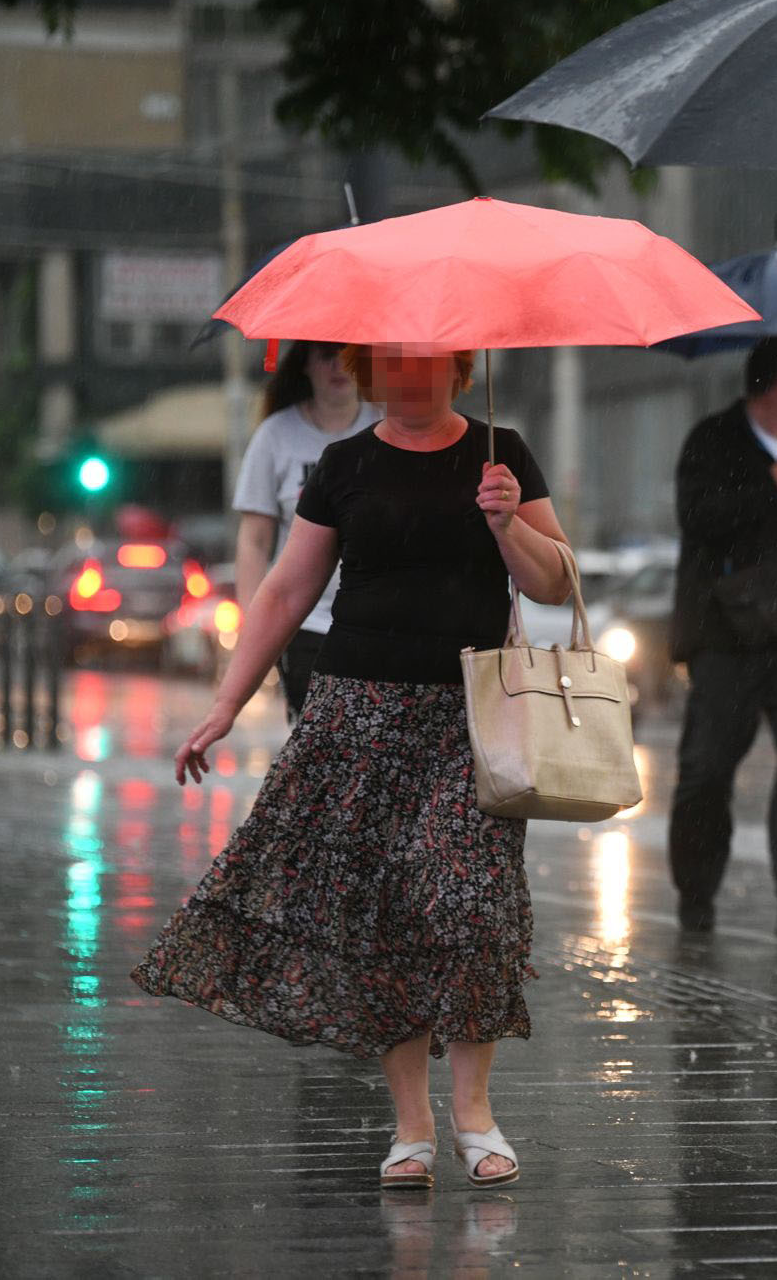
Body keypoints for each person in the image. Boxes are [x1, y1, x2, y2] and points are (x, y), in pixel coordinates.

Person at [131, 342, 576, 1192]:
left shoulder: (503, 453)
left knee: (474, 905)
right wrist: (226, 705)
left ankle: (475, 1113)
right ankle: (412, 1124)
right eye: (392, 366)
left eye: (427, 363)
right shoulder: (344, 464)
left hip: (473, 720)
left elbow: (557, 580)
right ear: (372, 375)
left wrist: (507, 524)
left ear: (459, 369)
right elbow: (285, 591)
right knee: (383, 918)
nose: (409, 379)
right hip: (356, 716)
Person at [668, 336, 777, 942]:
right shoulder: (713, 441)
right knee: (707, 772)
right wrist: (769, 484)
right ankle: (696, 896)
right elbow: (697, 519)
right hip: (727, 639)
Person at [231, 340, 379, 720]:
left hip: (378, 623)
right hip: (303, 623)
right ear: (305, 365)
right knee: (320, 735)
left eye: (347, 356)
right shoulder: (275, 436)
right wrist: (254, 630)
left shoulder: (389, 425)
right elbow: (254, 541)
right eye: (326, 356)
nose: (338, 367)